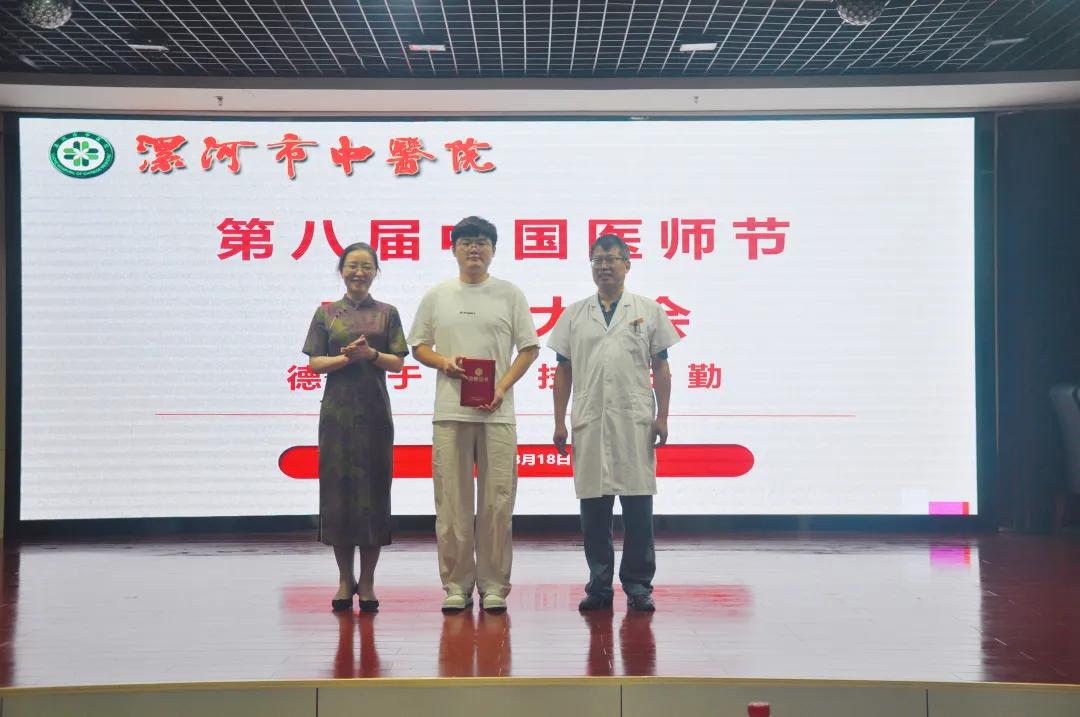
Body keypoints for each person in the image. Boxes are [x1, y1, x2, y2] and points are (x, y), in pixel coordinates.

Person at [408, 216, 539, 613]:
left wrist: (502, 387)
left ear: (493, 250)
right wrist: (444, 363)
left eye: (482, 242)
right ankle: (456, 585)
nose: (474, 249)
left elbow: (529, 348)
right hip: (451, 413)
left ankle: (494, 585)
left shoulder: (509, 294)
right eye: (466, 242)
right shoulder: (438, 295)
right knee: (452, 503)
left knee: (498, 503)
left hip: (497, 413)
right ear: (454, 249)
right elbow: (418, 345)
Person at [547, 233, 681, 612]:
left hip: (634, 421)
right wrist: (559, 422)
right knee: (594, 512)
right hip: (589, 419)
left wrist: (662, 416)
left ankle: (638, 585)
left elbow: (661, 367)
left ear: (627, 264)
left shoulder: (648, 310)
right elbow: (563, 371)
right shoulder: (574, 314)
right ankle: (599, 586)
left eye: (611, 259)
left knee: (638, 510)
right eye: (597, 260)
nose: (604, 266)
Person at [303, 242, 408, 613]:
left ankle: (368, 582)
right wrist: (344, 359)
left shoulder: (387, 313)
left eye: (366, 266)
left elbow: (397, 362)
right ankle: (345, 579)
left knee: (374, 494)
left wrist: (371, 355)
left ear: (376, 271)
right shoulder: (326, 313)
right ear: (341, 270)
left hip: (375, 414)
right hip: (337, 415)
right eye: (352, 266)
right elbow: (315, 363)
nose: (359, 272)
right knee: (339, 496)